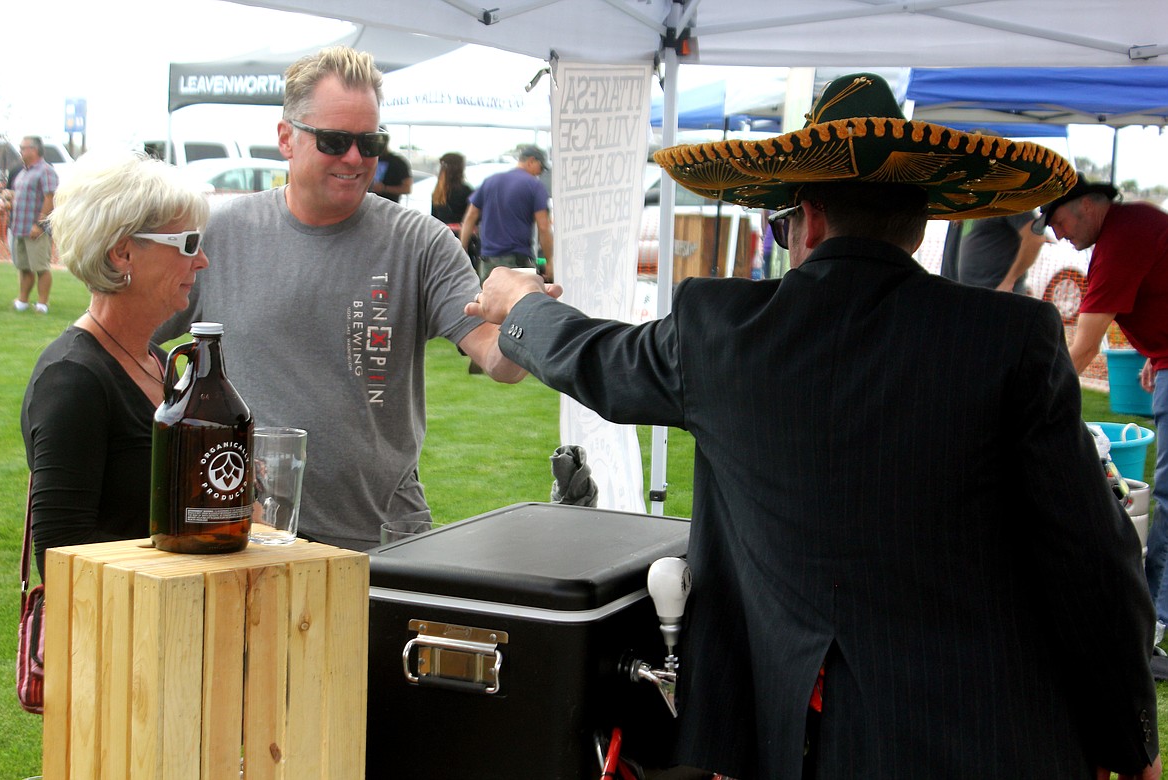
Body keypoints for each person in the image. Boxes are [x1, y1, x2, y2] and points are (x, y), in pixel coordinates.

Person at [468, 73, 1160, 780]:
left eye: (780, 225)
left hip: (796, 739)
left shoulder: (721, 328)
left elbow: (592, 358)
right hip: (990, 731)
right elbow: (1091, 557)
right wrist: (1130, 737)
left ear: (811, 217)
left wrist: (519, 300)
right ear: (918, 225)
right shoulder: (1011, 336)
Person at [154, 46, 527, 551]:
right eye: (334, 141)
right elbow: (127, 345)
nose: (355, 158)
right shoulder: (220, 235)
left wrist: (527, 314)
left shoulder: (419, 242)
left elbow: (498, 359)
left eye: (369, 141)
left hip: (383, 541)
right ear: (286, 138)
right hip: (248, 537)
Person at [21, 151, 210, 577]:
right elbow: (62, 561)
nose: (202, 261)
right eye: (189, 244)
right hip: (118, 635)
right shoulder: (72, 379)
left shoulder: (160, 364)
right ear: (123, 253)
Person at [1035, 179, 1168, 642]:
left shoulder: (1121, 240)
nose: (1057, 233)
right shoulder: (1131, 225)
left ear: (1088, 205)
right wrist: (1157, 352)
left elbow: (1083, 347)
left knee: (1166, 496)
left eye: (1058, 220)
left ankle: (1156, 614)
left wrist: (1037, 402)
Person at [460, 145, 554, 282]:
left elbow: (470, 217)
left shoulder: (490, 181)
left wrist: (463, 250)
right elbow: (544, 227)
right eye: (541, 168)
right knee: (519, 301)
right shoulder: (535, 186)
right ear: (532, 161)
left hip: (488, 261)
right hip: (517, 261)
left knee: (490, 302)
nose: (540, 173)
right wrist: (549, 261)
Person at [11, 136, 59, 313]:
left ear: (34, 150)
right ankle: (23, 300)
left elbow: (50, 197)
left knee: (40, 267)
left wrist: (39, 224)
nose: (20, 151)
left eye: (23, 148)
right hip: (19, 228)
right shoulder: (23, 172)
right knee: (24, 267)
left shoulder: (45, 170)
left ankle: (42, 303)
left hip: (36, 229)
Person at [957, 209, 1046, 292]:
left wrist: (1009, 282)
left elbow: (1035, 239)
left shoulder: (1007, 202)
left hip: (998, 296)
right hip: (973, 294)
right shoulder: (976, 205)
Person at [431, 151, 479, 270]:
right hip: (463, 238)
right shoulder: (466, 190)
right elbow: (474, 218)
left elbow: (434, 218)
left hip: (442, 238)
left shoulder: (437, 192)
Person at [369, 132, 412, 202]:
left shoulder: (398, 162)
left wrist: (384, 188)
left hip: (388, 207)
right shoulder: (367, 159)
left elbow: (407, 188)